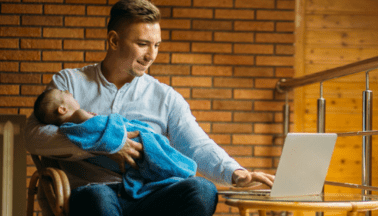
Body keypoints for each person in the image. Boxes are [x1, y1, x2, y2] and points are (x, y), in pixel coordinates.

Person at [24, 0, 274, 215]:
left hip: (149, 195)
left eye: (157, 45)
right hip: (92, 192)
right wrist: (108, 144)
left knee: (202, 190)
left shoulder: (165, 96)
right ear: (113, 40)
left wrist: (236, 173)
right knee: (98, 198)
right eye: (143, 44)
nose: (151, 55)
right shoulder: (69, 84)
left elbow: (197, 145)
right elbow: (34, 137)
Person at [33, 88, 198, 199]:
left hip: (116, 167)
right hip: (129, 141)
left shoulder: (68, 129)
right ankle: (183, 170)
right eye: (64, 92)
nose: (68, 92)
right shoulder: (78, 116)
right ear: (62, 109)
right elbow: (102, 127)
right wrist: (113, 129)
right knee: (158, 150)